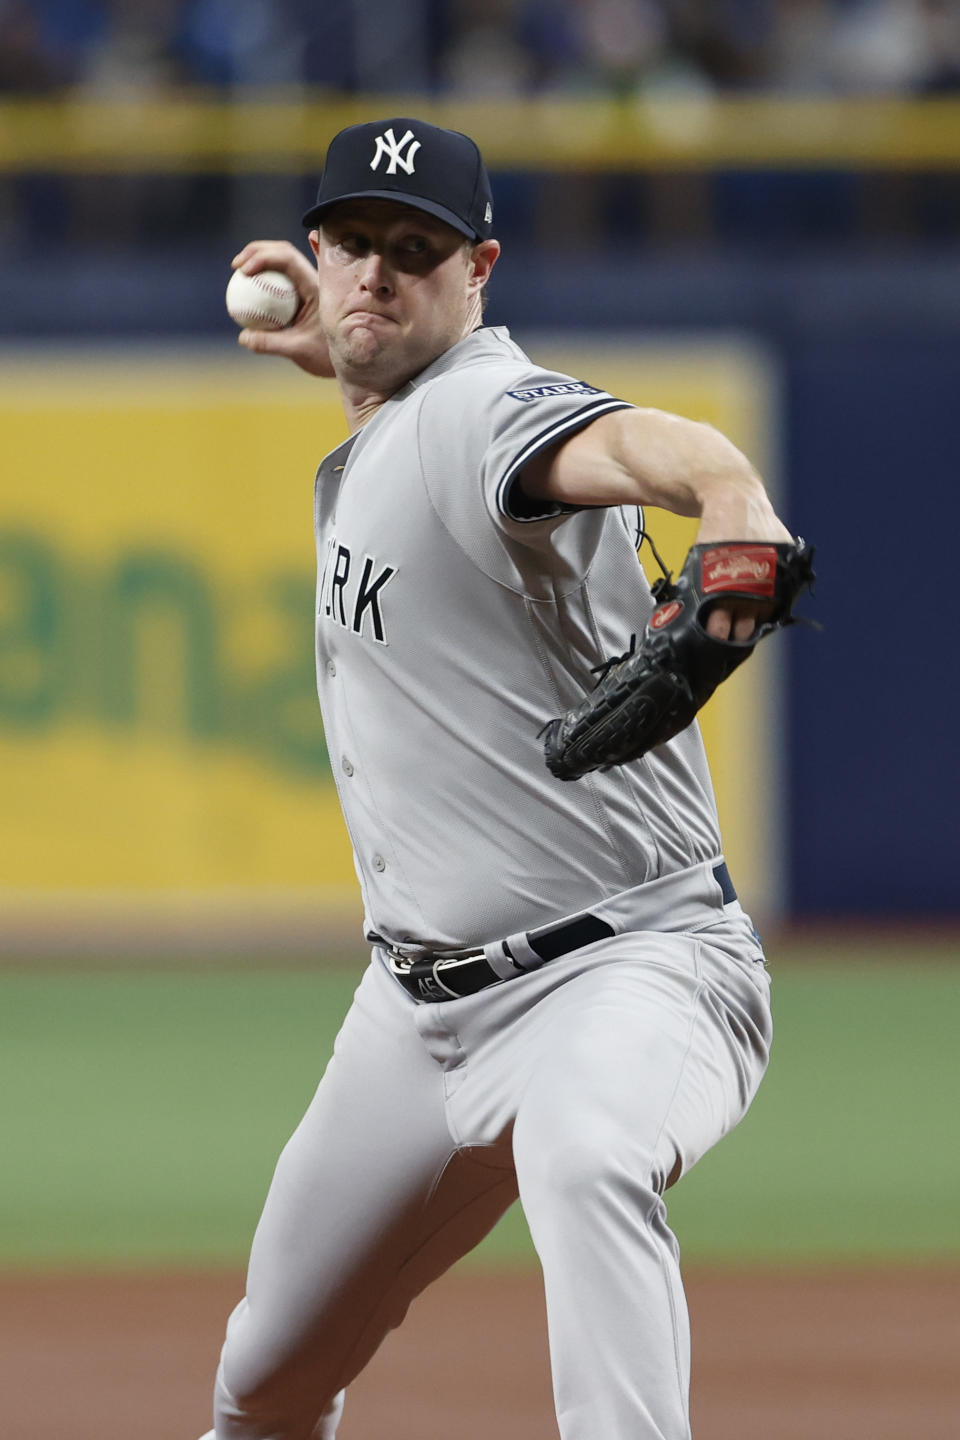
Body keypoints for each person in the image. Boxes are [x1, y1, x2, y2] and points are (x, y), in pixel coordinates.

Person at [200, 116, 794, 1440]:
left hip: (630, 969)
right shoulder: (407, 409)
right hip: (412, 1019)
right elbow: (409, 407)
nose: (375, 274)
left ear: (482, 271)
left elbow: (657, 449)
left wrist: (735, 501)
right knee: (265, 1381)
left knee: (586, 1155)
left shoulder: (484, 407)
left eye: (416, 252)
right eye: (353, 243)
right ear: (313, 249)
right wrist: (342, 360)